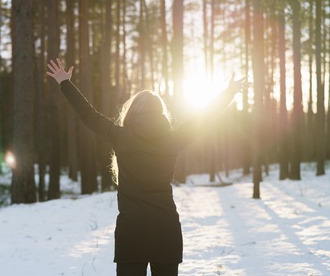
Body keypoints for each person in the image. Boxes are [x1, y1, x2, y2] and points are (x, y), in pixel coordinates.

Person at [47, 58, 245, 276]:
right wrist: (230, 92)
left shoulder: (121, 137)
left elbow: (88, 114)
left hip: (132, 233)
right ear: (160, 112)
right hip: (166, 230)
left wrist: (65, 82)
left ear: (132, 111)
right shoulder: (173, 139)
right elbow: (204, 117)